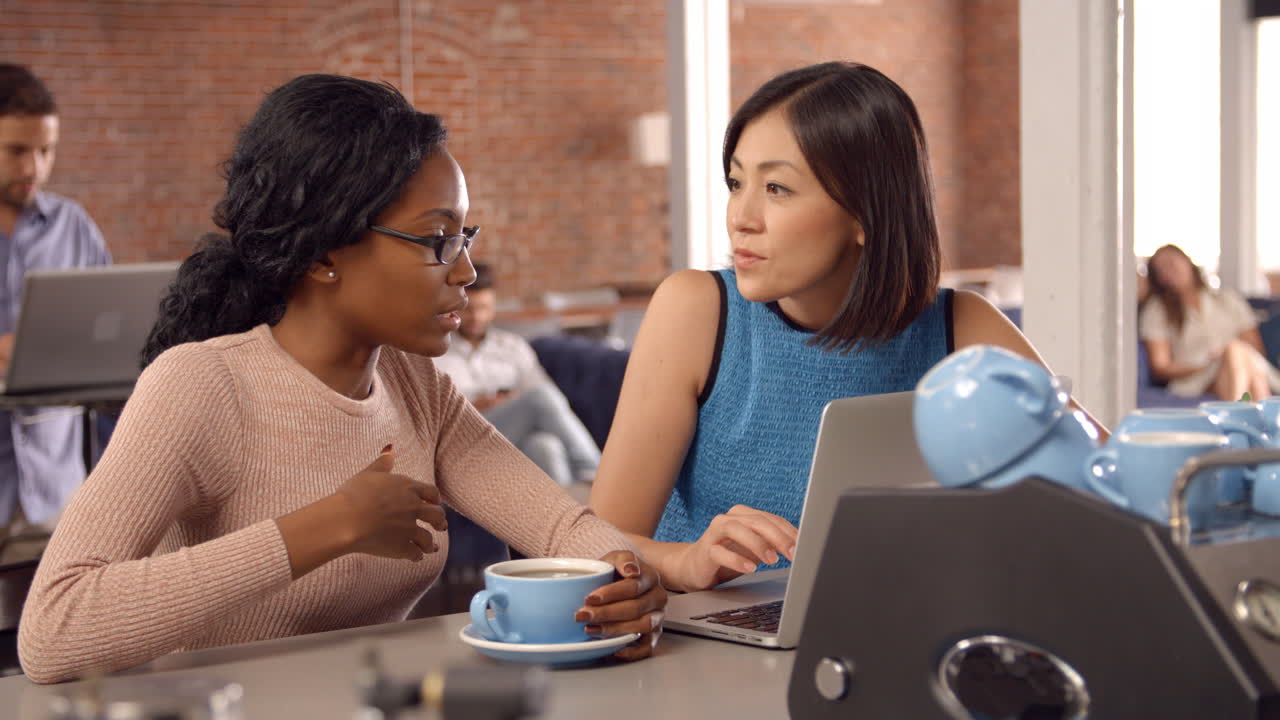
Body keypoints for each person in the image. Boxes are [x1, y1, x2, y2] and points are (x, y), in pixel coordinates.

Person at [17, 74, 665, 684]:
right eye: (437, 240)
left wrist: (627, 580)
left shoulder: (414, 382)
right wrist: (326, 527)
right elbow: (52, 629)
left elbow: (560, 527)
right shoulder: (202, 385)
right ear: (324, 252)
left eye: (463, 237)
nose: (465, 271)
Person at [588, 62, 1106, 593]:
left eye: (776, 188)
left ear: (865, 211)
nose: (741, 216)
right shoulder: (696, 310)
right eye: (736, 182)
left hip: (902, 636)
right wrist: (685, 562)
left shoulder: (962, 328)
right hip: (706, 657)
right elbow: (596, 547)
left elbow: (1115, 498)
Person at [0, 64, 111, 560]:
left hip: (57, 490)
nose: (33, 169)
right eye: (17, 151)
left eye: (45, 151)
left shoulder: (74, 227)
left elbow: (113, 332)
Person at [434, 262, 601, 487]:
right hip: (466, 440)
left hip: (512, 436)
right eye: (469, 309)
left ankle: (567, 517)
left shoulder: (513, 347)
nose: (476, 317)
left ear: (494, 307)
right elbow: (434, 417)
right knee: (539, 398)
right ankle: (596, 470)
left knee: (545, 445)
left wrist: (511, 402)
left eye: (483, 308)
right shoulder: (437, 352)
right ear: (455, 307)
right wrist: (477, 405)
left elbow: (549, 399)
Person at [1140, 243, 1279, 401]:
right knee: (1234, 353)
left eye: (1172, 262)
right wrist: (1205, 364)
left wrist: (1225, 355)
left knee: (1236, 352)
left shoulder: (1228, 300)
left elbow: (1255, 349)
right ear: (1158, 279)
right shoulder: (1157, 310)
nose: (1169, 270)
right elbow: (1161, 366)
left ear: (1188, 262)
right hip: (1196, 378)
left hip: (1247, 366)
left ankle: (1238, 414)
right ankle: (1253, 416)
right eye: (1161, 269)